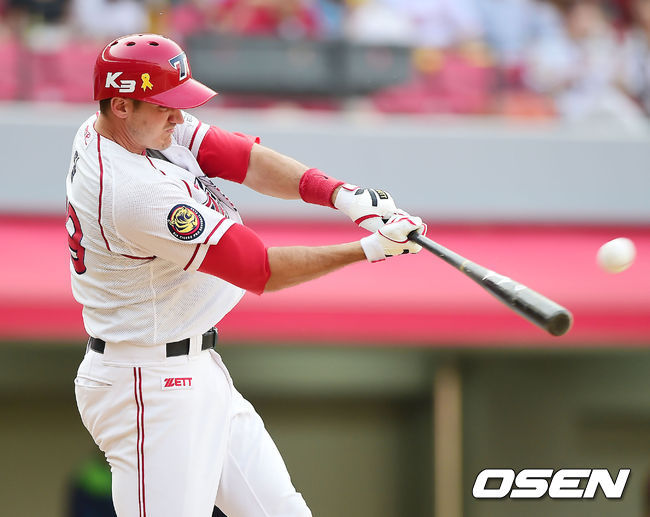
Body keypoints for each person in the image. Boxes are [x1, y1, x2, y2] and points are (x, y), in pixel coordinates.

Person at [67, 33, 426, 517]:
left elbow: (238, 157)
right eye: (166, 106)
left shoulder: (123, 128)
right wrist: (370, 249)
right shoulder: (134, 192)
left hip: (192, 366)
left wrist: (340, 194)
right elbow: (260, 269)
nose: (178, 117)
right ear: (122, 105)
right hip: (148, 383)